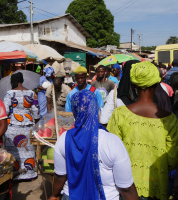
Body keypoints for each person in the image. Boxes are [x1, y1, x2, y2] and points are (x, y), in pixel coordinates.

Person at [49, 90, 138, 200]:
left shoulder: (64, 139)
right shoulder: (112, 142)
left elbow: (60, 176)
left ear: (75, 110)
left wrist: (55, 195)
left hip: (71, 196)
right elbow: (126, 188)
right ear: (96, 109)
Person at [107, 61, 178, 200]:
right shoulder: (170, 119)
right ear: (157, 83)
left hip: (126, 188)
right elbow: (172, 159)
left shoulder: (120, 114)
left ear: (134, 84)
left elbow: (111, 152)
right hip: (158, 186)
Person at [3, 72, 40, 180]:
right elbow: (37, 112)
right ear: (22, 81)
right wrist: (34, 124)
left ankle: (15, 174)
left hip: (13, 126)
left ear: (12, 82)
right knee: (29, 149)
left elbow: (4, 111)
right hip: (28, 125)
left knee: (14, 151)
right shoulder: (32, 93)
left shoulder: (9, 93)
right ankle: (30, 174)